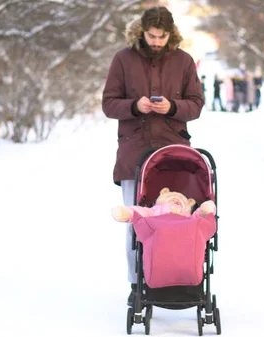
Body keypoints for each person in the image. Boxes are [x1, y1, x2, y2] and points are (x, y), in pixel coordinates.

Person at [101, 6, 204, 307]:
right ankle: (137, 285)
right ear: (141, 32)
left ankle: (177, 280)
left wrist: (172, 107)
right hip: (134, 152)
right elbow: (108, 104)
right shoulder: (123, 59)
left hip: (173, 154)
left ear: (171, 34)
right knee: (136, 222)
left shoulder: (184, 61)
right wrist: (135, 106)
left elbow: (196, 105)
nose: (156, 42)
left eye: (162, 36)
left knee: (176, 220)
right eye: (151, 36)